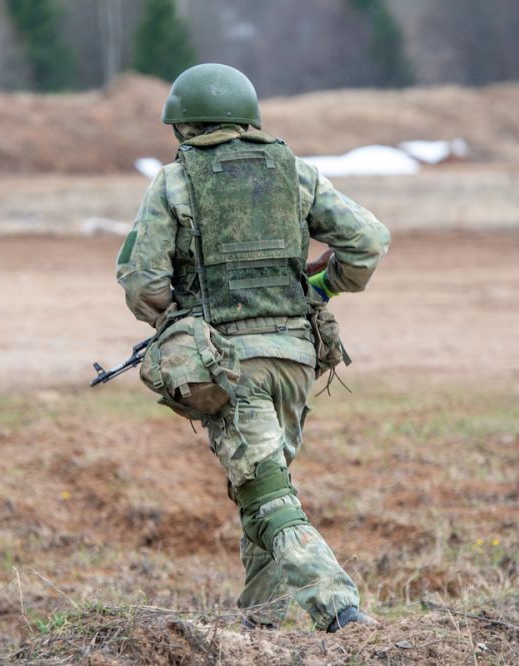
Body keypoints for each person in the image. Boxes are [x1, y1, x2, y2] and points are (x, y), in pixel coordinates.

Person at [115, 63, 391, 633]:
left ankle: (339, 609)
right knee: (263, 486)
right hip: (295, 358)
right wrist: (322, 286)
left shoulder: (173, 182)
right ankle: (261, 624)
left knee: (267, 493)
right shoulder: (296, 172)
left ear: (184, 126)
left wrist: (178, 320)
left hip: (226, 365)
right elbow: (366, 243)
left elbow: (143, 284)